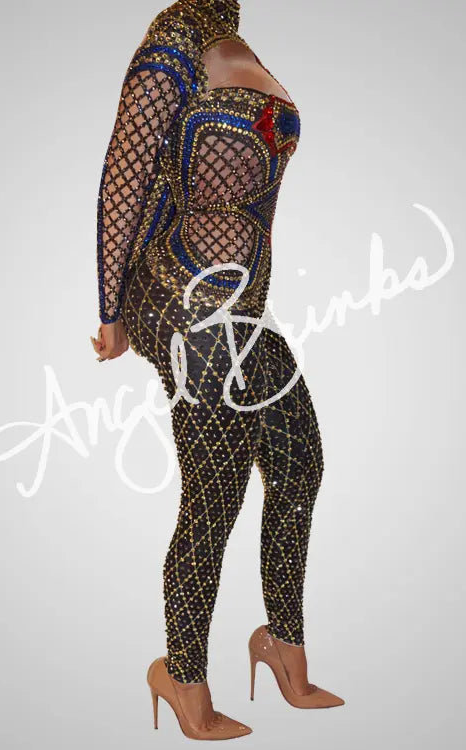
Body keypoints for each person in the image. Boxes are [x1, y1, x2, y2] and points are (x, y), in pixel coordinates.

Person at [91, 0, 344, 739]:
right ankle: (182, 675)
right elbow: (123, 179)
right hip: (178, 298)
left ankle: (281, 646)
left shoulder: (237, 43)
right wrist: (110, 311)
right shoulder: (174, 39)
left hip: (241, 311)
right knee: (217, 493)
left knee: (299, 466)